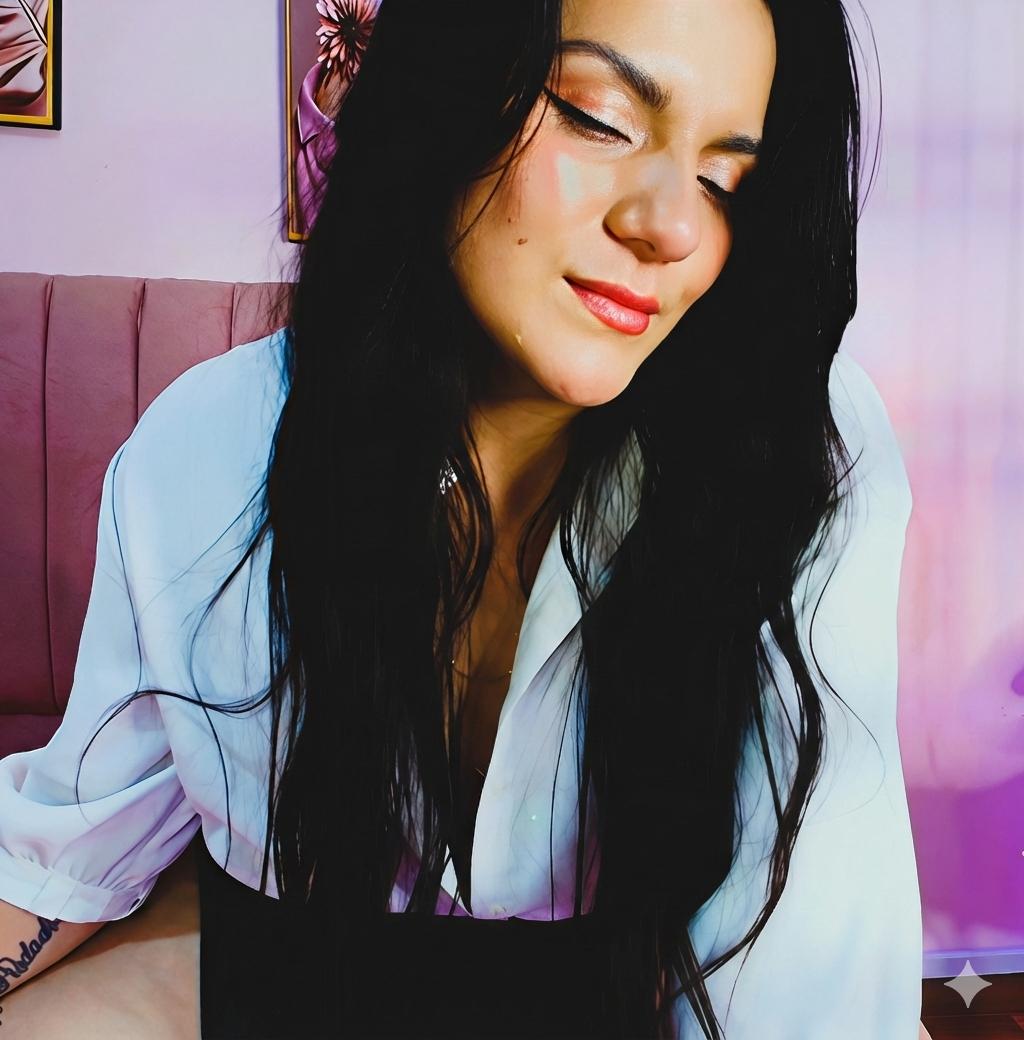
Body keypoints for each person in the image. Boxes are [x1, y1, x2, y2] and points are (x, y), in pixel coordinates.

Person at [0, 0, 926, 1037]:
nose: (671, 227)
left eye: (723, 181)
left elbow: (806, 953)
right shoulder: (208, 453)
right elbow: (72, 838)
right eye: (599, 118)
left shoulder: (789, 447)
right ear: (445, 94)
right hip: (283, 970)